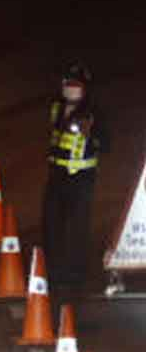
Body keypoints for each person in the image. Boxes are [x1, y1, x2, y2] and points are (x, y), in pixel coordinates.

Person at [42, 63, 110, 299]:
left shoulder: (93, 113)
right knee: (52, 224)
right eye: (67, 85)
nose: (70, 90)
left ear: (84, 89)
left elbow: (107, 143)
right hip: (57, 176)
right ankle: (52, 270)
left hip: (81, 179)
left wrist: (91, 133)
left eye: (75, 86)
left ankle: (75, 274)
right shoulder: (57, 108)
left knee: (77, 228)